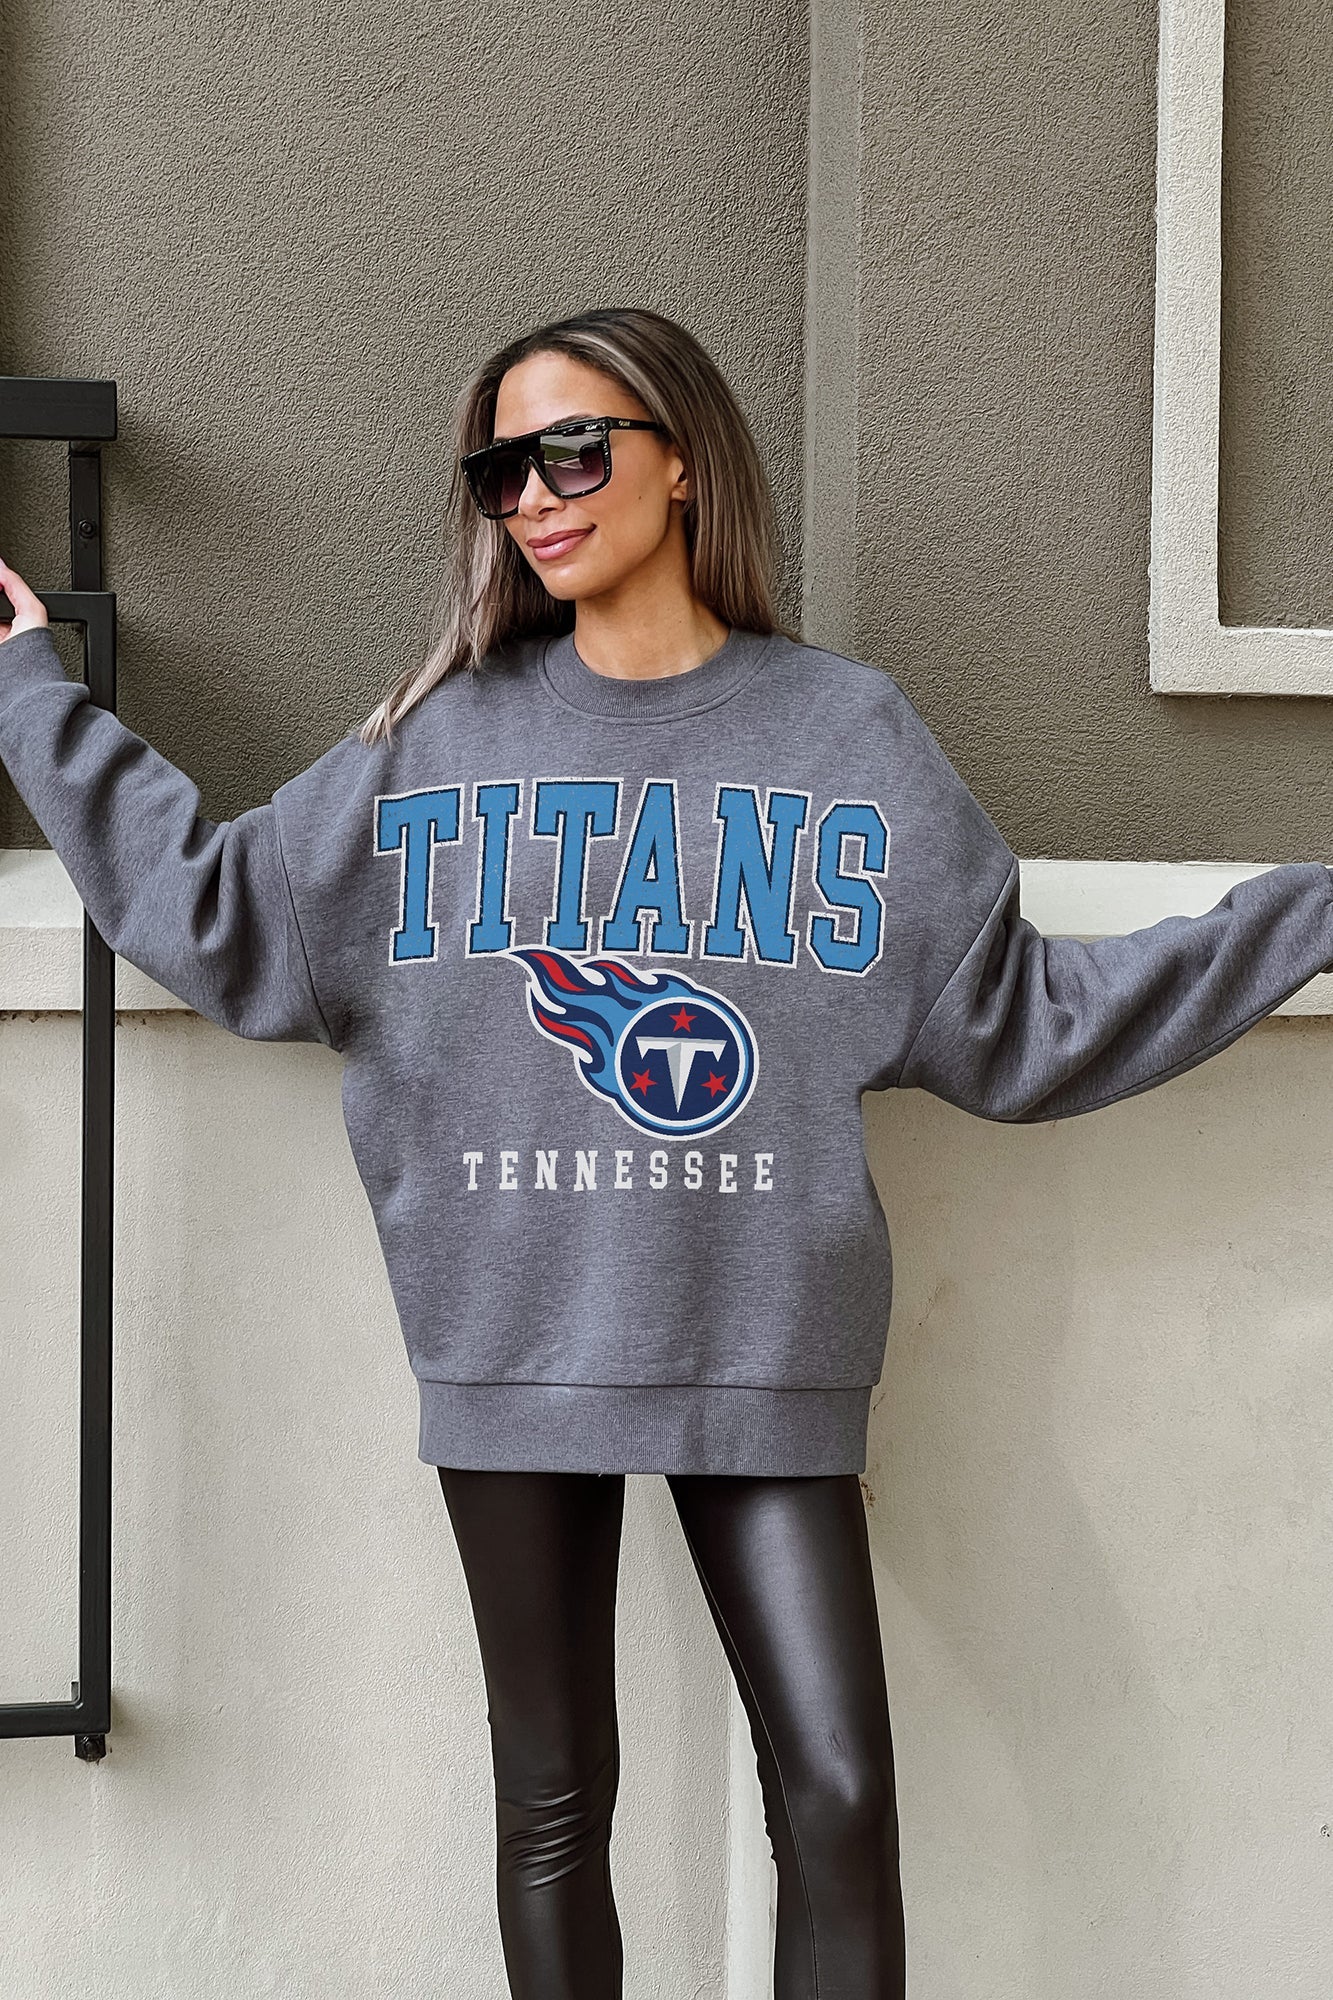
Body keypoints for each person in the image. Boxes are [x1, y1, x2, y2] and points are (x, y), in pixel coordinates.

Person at [3, 306, 1333, 2000]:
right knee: (555, 1805)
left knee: (836, 1797)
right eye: (498, 471)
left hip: (762, 1339)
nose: (531, 498)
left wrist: (1303, 914)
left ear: (683, 459)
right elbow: (215, 915)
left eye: (570, 452)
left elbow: (1018, 1020)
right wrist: (32, 695)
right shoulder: (433, 742)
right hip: (515, 1334)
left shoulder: (845, 736)